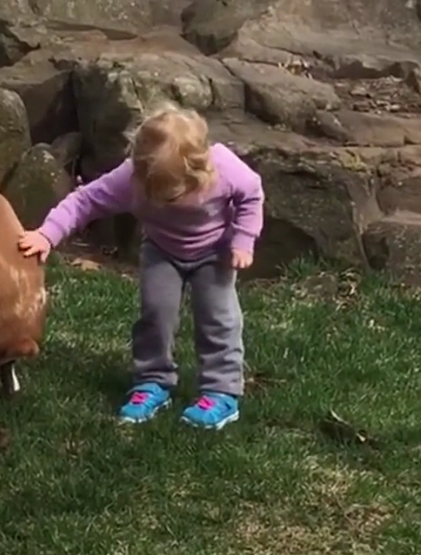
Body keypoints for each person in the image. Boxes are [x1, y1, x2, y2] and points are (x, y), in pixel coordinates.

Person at [18, 102, 265, 430]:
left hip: (215, 253)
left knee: (219, 320)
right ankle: (152, 381)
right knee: (155, 315)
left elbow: (252, 195)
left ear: (200, 172)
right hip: (162, 251)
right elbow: (85, 201)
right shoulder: (131, 178)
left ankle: (222, 392)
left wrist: (243, 241)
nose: (164, 202)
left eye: (173, 197)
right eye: (156, 196)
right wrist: (48, 235)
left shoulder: (223, 169)